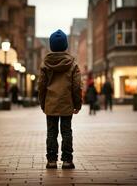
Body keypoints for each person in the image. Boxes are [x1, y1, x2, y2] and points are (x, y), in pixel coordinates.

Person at [38, 29, 82, 169]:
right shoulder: (73, 65)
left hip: (50, 104)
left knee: (51, 132)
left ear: (51, 45)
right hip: (66, 104)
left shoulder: (45, 64)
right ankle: (67, 160)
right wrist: (78, 104)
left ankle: (51, 160)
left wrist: (42, 103)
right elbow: (76, 87)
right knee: (66, 131)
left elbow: (41, 86)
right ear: (65, 45)